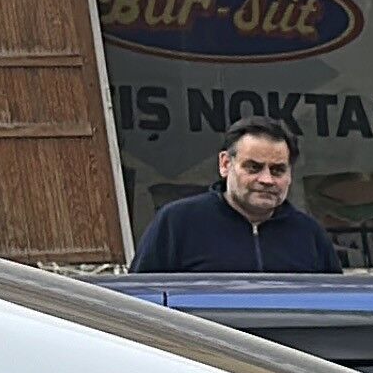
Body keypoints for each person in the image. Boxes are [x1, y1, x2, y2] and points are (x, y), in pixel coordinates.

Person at [129, 116, 341, 274]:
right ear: (225, 164)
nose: (267, 180)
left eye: (277, 170)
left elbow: (338, 311)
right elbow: (139, 306)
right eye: (253, 168)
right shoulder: (177, 223)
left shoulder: (310, 235)